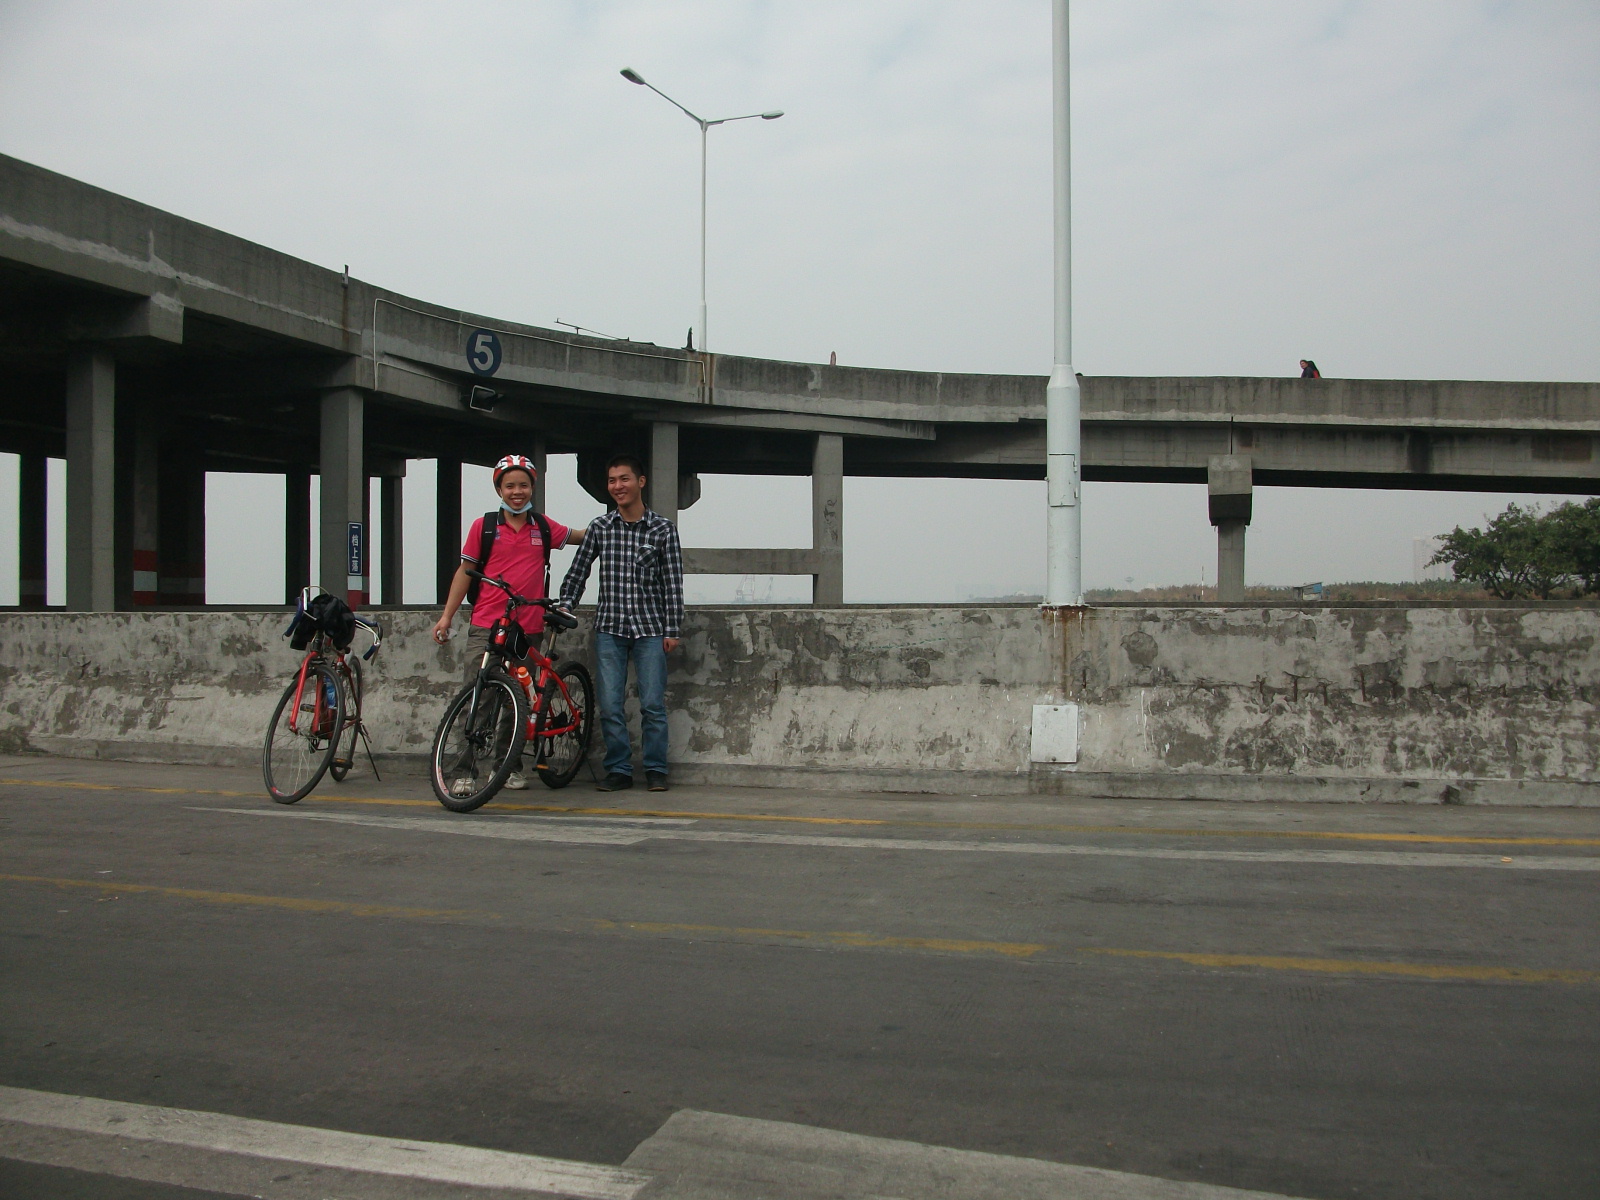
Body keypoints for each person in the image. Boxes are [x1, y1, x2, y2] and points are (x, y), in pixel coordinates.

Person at [432, 454, 584, 793]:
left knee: (518, 699)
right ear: (499, 488)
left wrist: (619, 523)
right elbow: (464, 571)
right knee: (477, 697)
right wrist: (446, 615)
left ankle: (507, 766)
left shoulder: (543, 527)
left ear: (533, 487)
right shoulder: (483, 527)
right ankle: (464, 772)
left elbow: (580, 536)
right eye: (510, 485)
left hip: (529, 626)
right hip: (487, 623)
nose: (518, 491)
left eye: (524, 485)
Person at [559, 454, 684, 793]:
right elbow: (578, 572)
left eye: (624, 479)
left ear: (640, 482)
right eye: (612, 481)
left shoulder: (662, 529)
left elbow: (672, 583)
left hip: (650, 629)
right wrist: (566, 604)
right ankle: (619, 770)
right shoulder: (601, 527)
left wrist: (672, 629)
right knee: (611, 705)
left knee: (653, 705)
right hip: (610, 629)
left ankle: (656, 770)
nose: (618, 486)